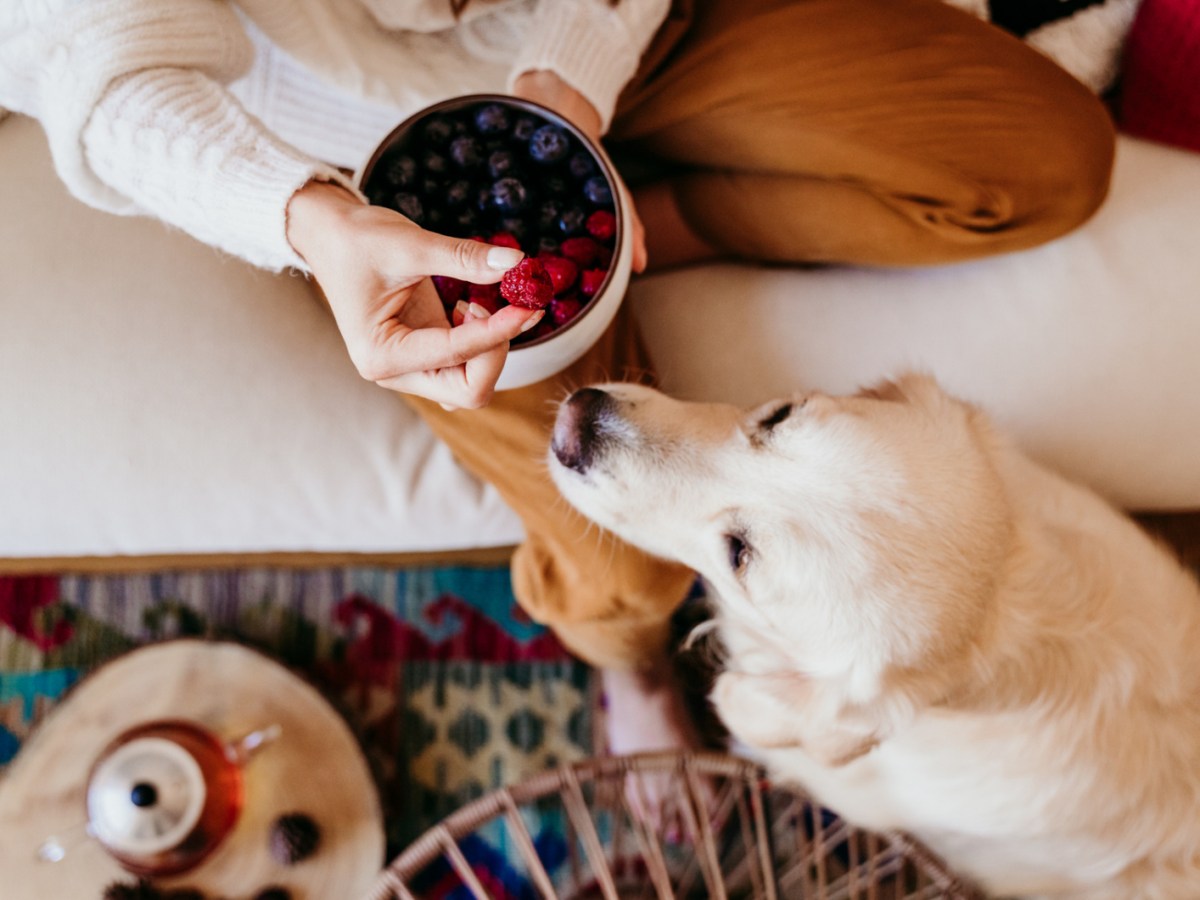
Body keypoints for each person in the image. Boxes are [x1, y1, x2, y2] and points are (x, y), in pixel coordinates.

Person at [1, 0, 1115, 759]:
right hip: (358, 169)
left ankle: (647, 233)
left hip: (627, 31)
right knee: (630, 578)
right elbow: (96, 62)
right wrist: (310, 217)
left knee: (1047, 161)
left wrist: (571, 88)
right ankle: (627, 666)